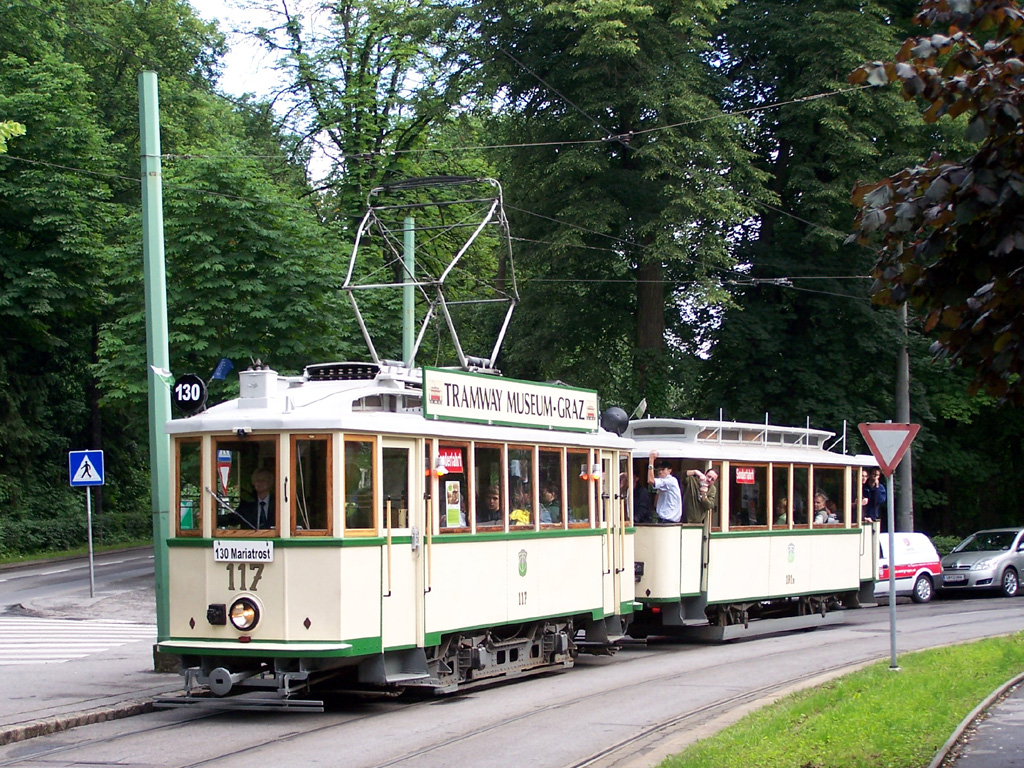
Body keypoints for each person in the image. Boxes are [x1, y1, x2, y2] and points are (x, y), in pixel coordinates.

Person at [647, 451, 682, 523]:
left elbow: (650, 480)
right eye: (659, 470)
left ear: (669, 470)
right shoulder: (663, 482)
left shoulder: (670, 480)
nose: (660, 472)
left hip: (669, 520)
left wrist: (651, 461)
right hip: (663, 519)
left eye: (662, 469)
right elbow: (655, 504)